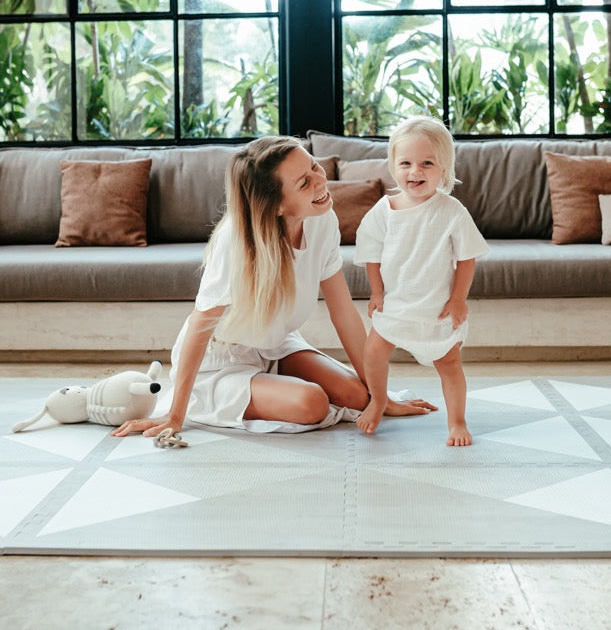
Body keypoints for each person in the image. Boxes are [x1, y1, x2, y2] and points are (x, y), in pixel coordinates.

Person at [112, 136, 435, 439]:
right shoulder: (235, 244)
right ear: (276, 205)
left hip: (275, 345)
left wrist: (381, 397)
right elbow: (200, 326)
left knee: (357, 395)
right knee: (312, 403)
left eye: (314, 166)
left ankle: (277, 385)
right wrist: (175, 415)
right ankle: (221, 399)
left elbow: (344, 313)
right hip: (220, 362)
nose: (320, 181)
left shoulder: (321, 218)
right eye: (304, 183)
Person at [354, 116, 489, 446]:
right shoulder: (384, 210)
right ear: (393, 166)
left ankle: (457, 421)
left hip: (436, 308)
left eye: (427, 163)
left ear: (443, 169)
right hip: (396, 305)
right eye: (406, 163)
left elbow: (466, 257)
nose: (415, 172)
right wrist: (376, 292)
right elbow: (371, 252)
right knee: (372, 353)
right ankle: (379, 400)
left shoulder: (451, 211)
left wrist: (458, 299)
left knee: (449, 364)